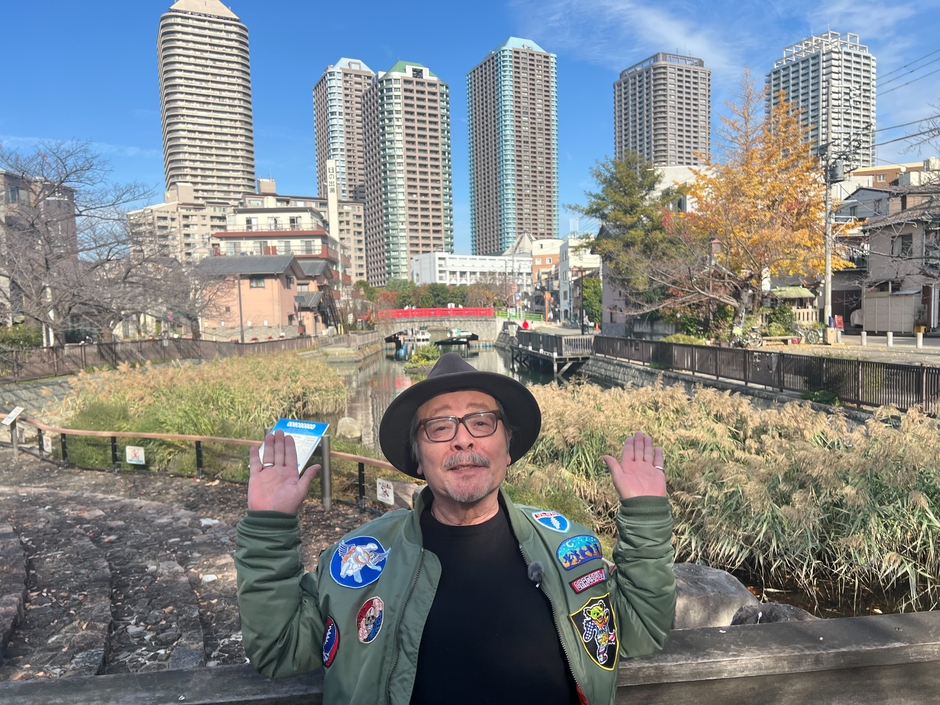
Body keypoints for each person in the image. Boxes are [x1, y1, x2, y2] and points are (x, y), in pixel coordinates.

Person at [235, 353, 676, 705]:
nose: (463, 439)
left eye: (481, 422)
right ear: (418, 458)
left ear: (507, 448)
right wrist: (270, 527)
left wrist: (645, 516)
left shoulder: (566, 546)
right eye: (440, 426)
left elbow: (642, 626)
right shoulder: (358, 561)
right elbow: (279, 649)